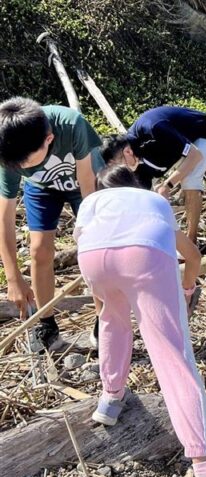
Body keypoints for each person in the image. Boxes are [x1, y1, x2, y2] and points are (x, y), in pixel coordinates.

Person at [74, 163, 206, 477]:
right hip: (143, 257)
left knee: (112, 321)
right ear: (135, 183)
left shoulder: (92, 202)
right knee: (173, 355)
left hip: (92, 259)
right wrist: (187, 290)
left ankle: (109, 399)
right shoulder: (152, 201)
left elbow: (86, 244)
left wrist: (103, 294)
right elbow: (193, 256)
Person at [0, 97, 101, 350]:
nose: (20, 169)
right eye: (16, 165)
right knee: (39, 251)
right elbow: (5, 217)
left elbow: (87, 181)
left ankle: (104, 319)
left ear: (49, 139)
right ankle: (46, 323)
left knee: (96, 252)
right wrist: (13, 277)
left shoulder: (70, 124)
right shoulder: (8, 149)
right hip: (42, 189)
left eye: (26, 163)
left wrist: (90, 229)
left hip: (83, 184)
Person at [100, 106, 206, 243]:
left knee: (190, 179)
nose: (124, 169)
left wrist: (168, 184)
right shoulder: (136, 149)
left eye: (122, 165)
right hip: (179, 144)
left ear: (128, 152)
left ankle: (191, 240)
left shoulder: (154, 129)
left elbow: (195, 156)